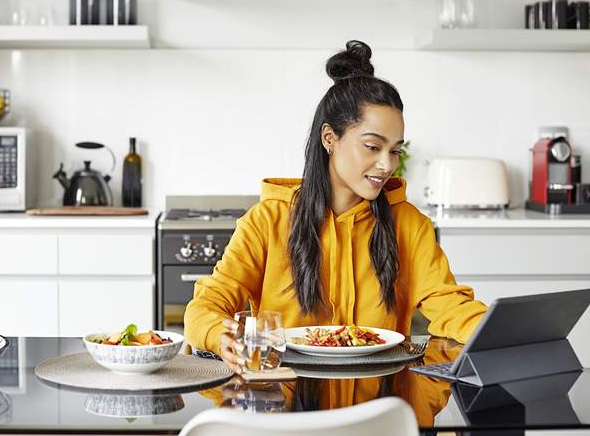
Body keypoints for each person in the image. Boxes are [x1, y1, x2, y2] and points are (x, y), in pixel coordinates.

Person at [184, 40, 487, 373]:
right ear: (330, 138)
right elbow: (205, 307)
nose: (387, 165)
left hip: (381, 410)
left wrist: (502, 333)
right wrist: (218, 334)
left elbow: (452, 307)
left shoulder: (409, 225)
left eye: (395, 151)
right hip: (285, 406)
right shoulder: (267, 220)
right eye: (372, 146)